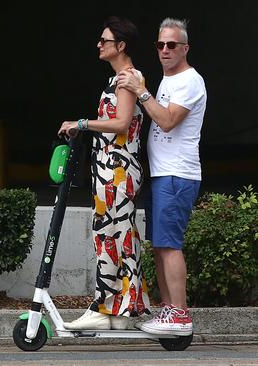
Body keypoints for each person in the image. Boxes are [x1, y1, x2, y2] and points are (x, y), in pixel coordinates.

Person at [58, 16, 151, 330]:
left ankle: (121, 308)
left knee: (119, 235)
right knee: (108, 236)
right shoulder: (118, 79)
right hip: (109, 168)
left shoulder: (128, 78)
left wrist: (82, 123)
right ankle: (111, 308)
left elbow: (122, 123)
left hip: (119, 169)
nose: (99, 45)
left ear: (121, 46)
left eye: (105, 40)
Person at [116, 18, 206, 336]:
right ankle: (169, 312)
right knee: (160, 244)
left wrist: (141, 92)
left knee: (170, 245)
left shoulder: (191, 81)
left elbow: (167, 121)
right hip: (161, 175)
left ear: (185, 48)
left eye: (172, 45)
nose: (165, 50)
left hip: (177, 176)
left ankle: (179, 315)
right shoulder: (169, 79)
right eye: (160, 45)